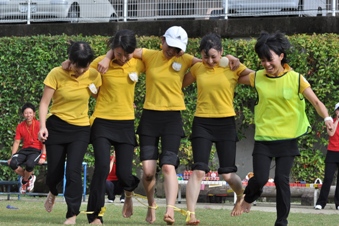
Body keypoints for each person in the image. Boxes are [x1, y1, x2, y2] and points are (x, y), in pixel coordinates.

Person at [98, 26, 239, 225]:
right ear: (162, 40)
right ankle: (151, 204)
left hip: (172, 119)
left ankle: (170, 211)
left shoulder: (187, 59)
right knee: (147, 172)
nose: (172, 52)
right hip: (150, 118)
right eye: (170, 46)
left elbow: (211, 60)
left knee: (167, 166)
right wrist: (106, 57)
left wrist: (230, 56)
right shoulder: (148, 55)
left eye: (177, 49)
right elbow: (123, 49)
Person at [238, 31, 333, 226]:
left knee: (282, 180)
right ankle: (248, 198)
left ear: (281, 56)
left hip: (287, 138)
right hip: (264, 138)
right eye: (262, 60)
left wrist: (327, 118)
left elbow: (315, 101)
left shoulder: (296, 79)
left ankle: (282, 221)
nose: (266, 64)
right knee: (261, 178)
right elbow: (236, 77)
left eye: (269, 59)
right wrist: (230, 61)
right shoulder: (258, 77)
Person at [182, 33, 253, 225]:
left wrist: (235, 61)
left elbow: (255, 77)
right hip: (202, 122)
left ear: (221, 52)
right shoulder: (198, 67)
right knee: (198, 170)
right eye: (206, 57)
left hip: (225, 123)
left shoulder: (231, 67)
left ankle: (240, 195)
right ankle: (191, 214)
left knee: (227, 174)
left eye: (214, 56)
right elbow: (179, 83)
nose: (210, 61)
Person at [38, 41, 102, 225]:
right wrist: (42, 126)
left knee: (73, 171)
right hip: (56, 126)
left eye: (86, 66)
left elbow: (103, 95)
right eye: (78, 66)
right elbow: (44, 103)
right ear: (70, 60)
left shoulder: (94, 75)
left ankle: (72, 214)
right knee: (54, 174)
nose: (82, 71)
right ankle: (52, 190)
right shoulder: (56, 73)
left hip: (80, 129)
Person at [84, 29, 143, 225]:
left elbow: (162, 57)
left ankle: (128, 194)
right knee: (102, 167)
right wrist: (107, 58)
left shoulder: (138, 61)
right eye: (118, 53)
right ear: (112, 50)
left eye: (127, 53)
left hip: (125, 123)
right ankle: (95, 215)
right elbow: (81, 76)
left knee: (124, 174)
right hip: (102, 121)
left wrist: (112, 55)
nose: (124, 58)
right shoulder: (99, 64)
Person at [8, 102, 46, 194]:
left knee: (29, 164)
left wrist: (43, 156)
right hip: (25, 150)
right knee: (13, 163)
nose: (28, 115)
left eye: (30, 113)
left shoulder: (39, 125)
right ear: (23, 114)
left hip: (36, 150)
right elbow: (17, 141)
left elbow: (44, 141)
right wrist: (12, 156)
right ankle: (30, 177)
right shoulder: (20, 126)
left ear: (34, 114)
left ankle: (24, 181)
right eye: (26, 113)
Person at [315, 102, 339, 210]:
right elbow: (331, 133)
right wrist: (337, 120)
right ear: (335, 111)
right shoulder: (331, 122)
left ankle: (338, 203)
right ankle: (321, 203)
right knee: (328, 178)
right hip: (332, 152)